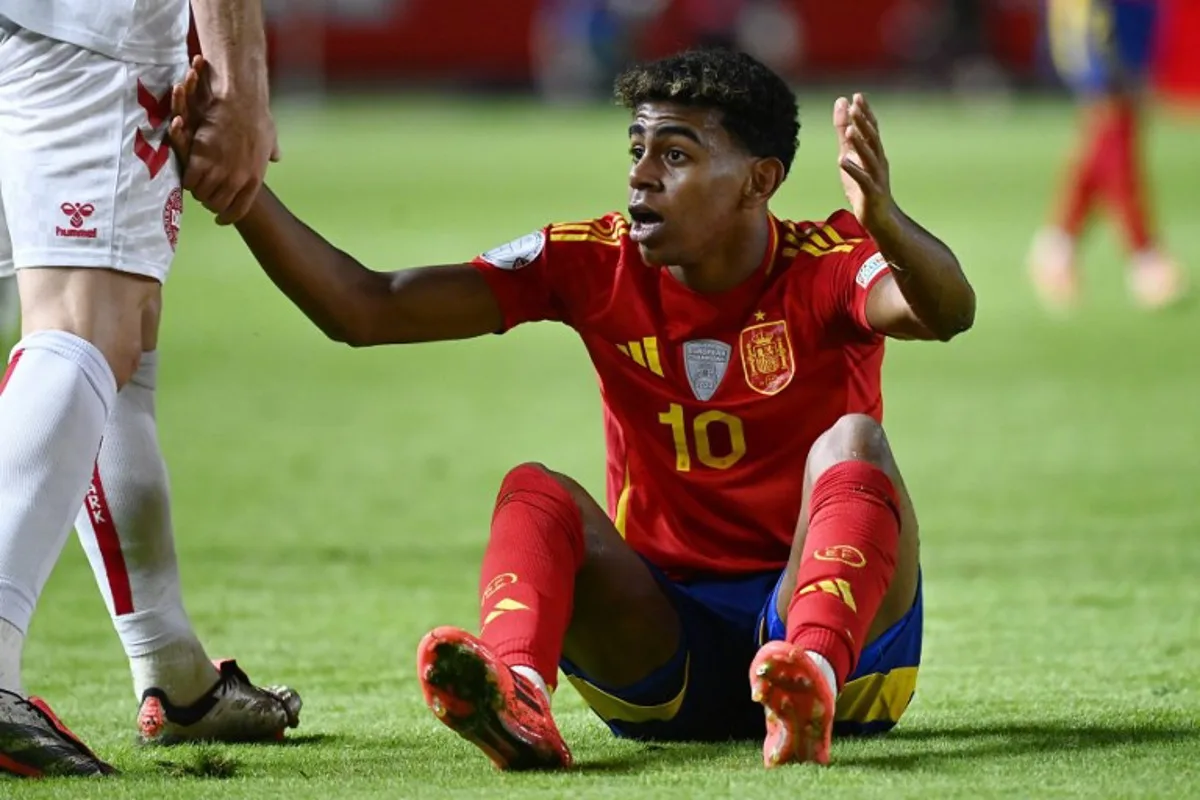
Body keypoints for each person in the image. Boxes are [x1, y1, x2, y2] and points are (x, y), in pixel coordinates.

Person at [171, 48, 974, 768]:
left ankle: (814, 682)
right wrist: (242, 196)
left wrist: (886, 221)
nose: (640, 176)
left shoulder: (828, 262)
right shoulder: (591, 261)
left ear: (758, 181)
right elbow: (367, 308)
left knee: (854, 444)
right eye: (637, 151)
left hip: (841, 635)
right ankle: (517, 691)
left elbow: (946, 312)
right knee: (535, 490)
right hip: (663, 641)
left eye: (675, 154)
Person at [0, 0, 301, 778]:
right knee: (90, 324)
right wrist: (242, 80)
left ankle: (174, 671)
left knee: (115, 341)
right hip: (76, 29)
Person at [1029, 0, 1185, 311]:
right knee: (1116, 135)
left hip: (1123, 18)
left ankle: (1058, 246)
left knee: (1106, 138)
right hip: (1102, 23)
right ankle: (1144, 257)